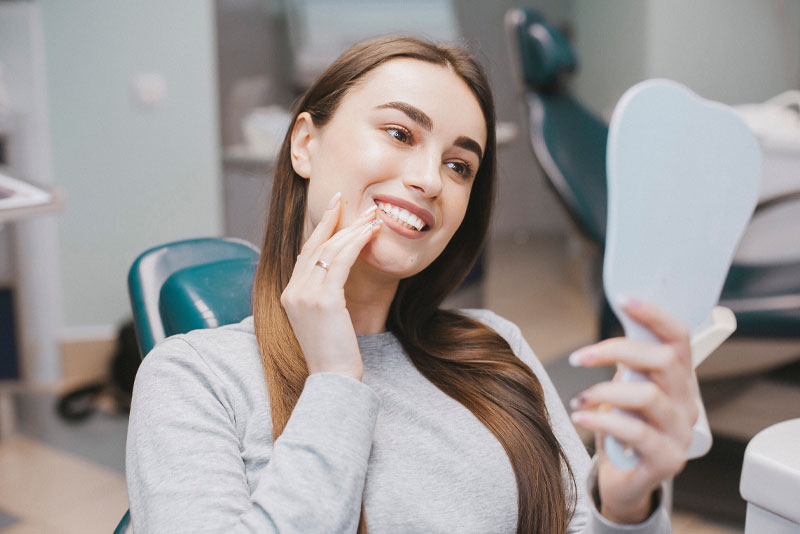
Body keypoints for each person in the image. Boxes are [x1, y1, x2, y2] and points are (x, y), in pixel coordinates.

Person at [126, 36, 698, 533]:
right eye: (400, 133)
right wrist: (334, 381)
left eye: (459, 166)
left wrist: (624, 507)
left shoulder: (497, 349)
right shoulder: (194, 378)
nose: (429, 180)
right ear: (305, 143)